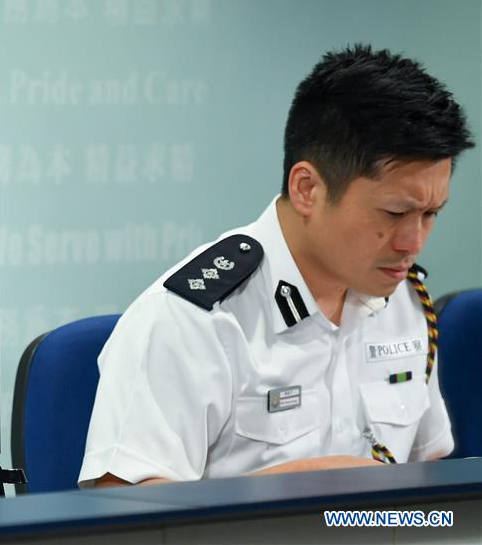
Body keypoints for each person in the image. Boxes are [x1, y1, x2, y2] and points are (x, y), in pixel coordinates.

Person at [79, 45, 474, 488]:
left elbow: (427, 491)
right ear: (307, 189)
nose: (413, 243)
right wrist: (286, 497)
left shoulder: (404, 300)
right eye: (395, 214)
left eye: (431, 214)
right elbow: (124, 513)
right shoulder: (192, 318)